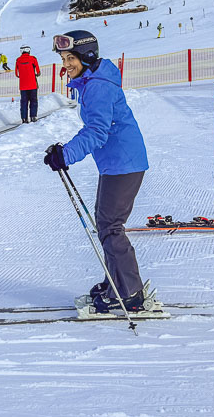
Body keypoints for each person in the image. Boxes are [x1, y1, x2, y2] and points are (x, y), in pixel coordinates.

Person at [43, 30, 151, 314]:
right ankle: (116, 282)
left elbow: (97, 132)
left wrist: (66, 154)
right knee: (106, 224)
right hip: (116, 163)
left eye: (71, 58)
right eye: (64, 59)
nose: (66, 64)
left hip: (124, 163)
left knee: (111, 226)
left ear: (87, 56)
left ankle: (130, 292)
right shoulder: (91, 82)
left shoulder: (98, 86)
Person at [15, 45, 40, 123]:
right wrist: (36, 74)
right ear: (29, 50)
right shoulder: (33, 59)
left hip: (23, 86)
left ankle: (24, 118)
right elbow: (38, 71)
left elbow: (16, 73)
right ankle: (33, 116)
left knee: (24, 102)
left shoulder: (18, 60)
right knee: (33, 101)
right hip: (32, 84)